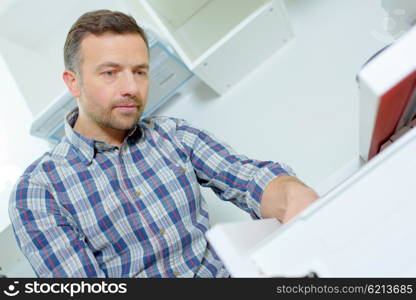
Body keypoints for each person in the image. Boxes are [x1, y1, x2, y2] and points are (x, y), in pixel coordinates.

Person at [9, 10, 318, 278]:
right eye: (110, 73)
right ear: (73, 82)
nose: (131, 87)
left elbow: (249, 178)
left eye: (140, 72)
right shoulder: (38, 192)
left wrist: (292, 193)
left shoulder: (173, 135)